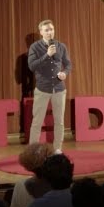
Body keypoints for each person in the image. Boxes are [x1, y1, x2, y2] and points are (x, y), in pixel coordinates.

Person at [27, 19, 72, 154]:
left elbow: (68, 64)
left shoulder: (61, 46)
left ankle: (57, 148)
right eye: (46, 30)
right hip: (42, 89)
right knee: (37, 121)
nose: (49, 32)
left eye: (51, 29)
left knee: (59, 121)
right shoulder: (35, 47)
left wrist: (64, 73)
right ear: (41, 32)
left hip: (59, 89)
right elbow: (32, 66)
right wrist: (47, 55)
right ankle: (33, 150)